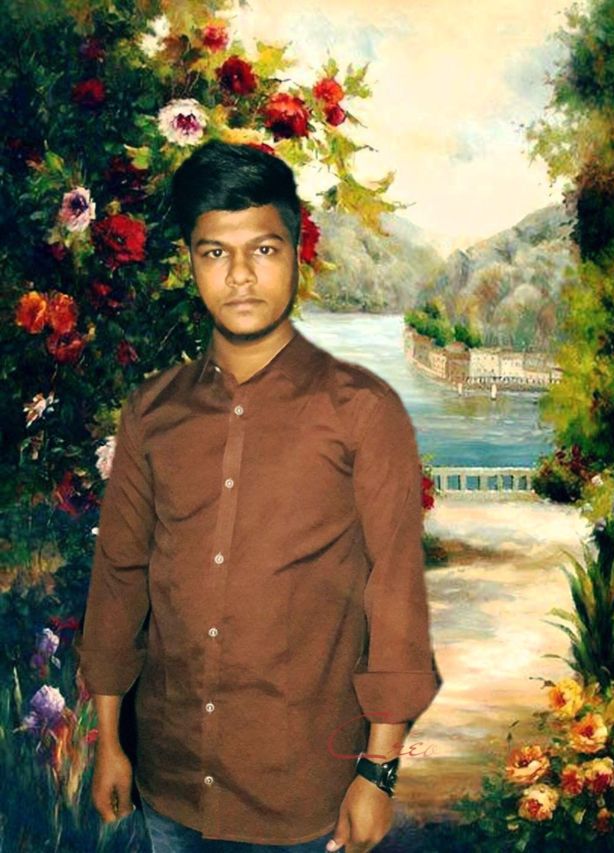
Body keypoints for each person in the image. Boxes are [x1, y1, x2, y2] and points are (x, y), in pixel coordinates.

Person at [73, 140, 443, 853]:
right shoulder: (151, 412)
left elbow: (394, 596)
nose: (240, 275)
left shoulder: (363, 413)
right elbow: (119, 579)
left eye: (263, 249)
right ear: (190, 262)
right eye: (215, 252)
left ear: (296, 254)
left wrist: (379, 771)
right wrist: (110, 742)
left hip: (301, 799)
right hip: (170, 787)